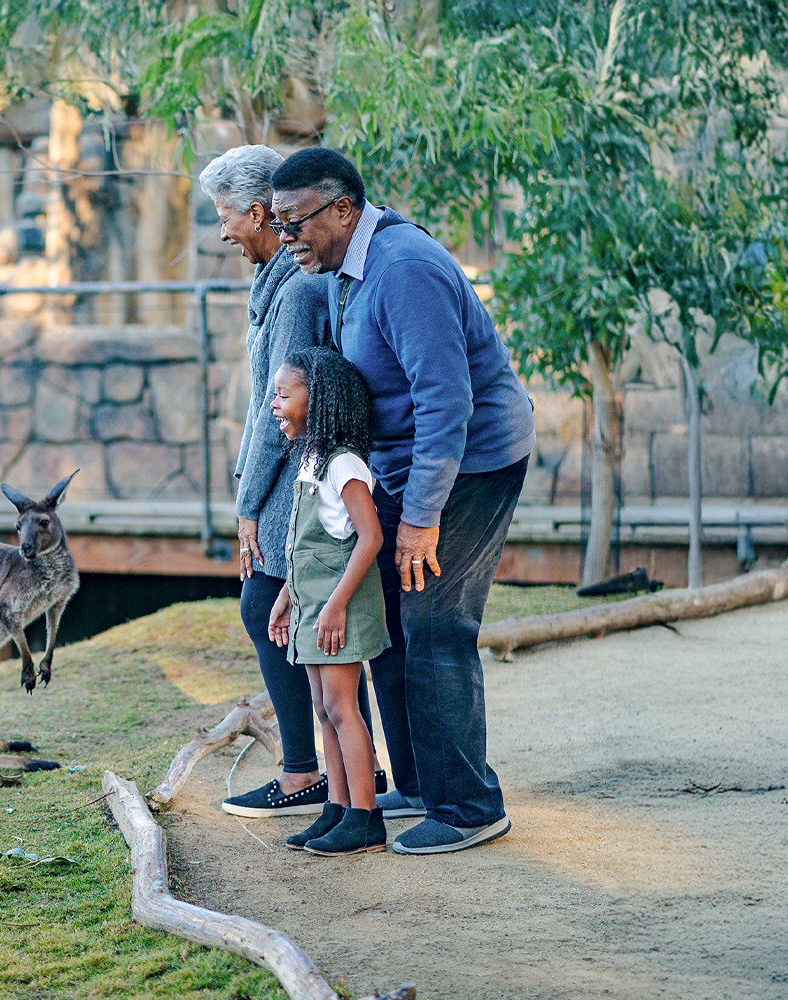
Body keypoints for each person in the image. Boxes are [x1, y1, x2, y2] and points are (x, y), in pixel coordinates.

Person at [266, 147, 536, 855]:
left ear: (343, 209)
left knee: (433, 620)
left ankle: (470, 805)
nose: (285, 237)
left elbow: (448, 402)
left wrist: (420, 518)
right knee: (380, 616)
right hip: (398, 461)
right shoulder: (336, 271)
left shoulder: (402, 270)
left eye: (294, 222)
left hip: (469, 462)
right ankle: (418, 781)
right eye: (278, 222)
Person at [196, 144, 381, 819]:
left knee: (266, 607)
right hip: (286, 472)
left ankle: (307, 772)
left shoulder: (296, 289)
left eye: (226, 217)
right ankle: (336, 771)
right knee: (272, 609)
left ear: (256, 211)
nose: (222, 232)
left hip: (294, 472)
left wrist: (247, 506)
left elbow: (272, 408)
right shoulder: (276, 280)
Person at [265, 347, 392, 855]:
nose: (274, 404)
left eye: (283, 394)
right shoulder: (313, 458)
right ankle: (337, 809)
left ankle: (366, 815)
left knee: (343, 707)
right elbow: (303, 544)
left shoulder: (345, 465)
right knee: (324, 707)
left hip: (338, 608)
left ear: (316, 401)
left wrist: (336, 604)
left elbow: (370, 537)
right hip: (313, 605)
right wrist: (286, 597)